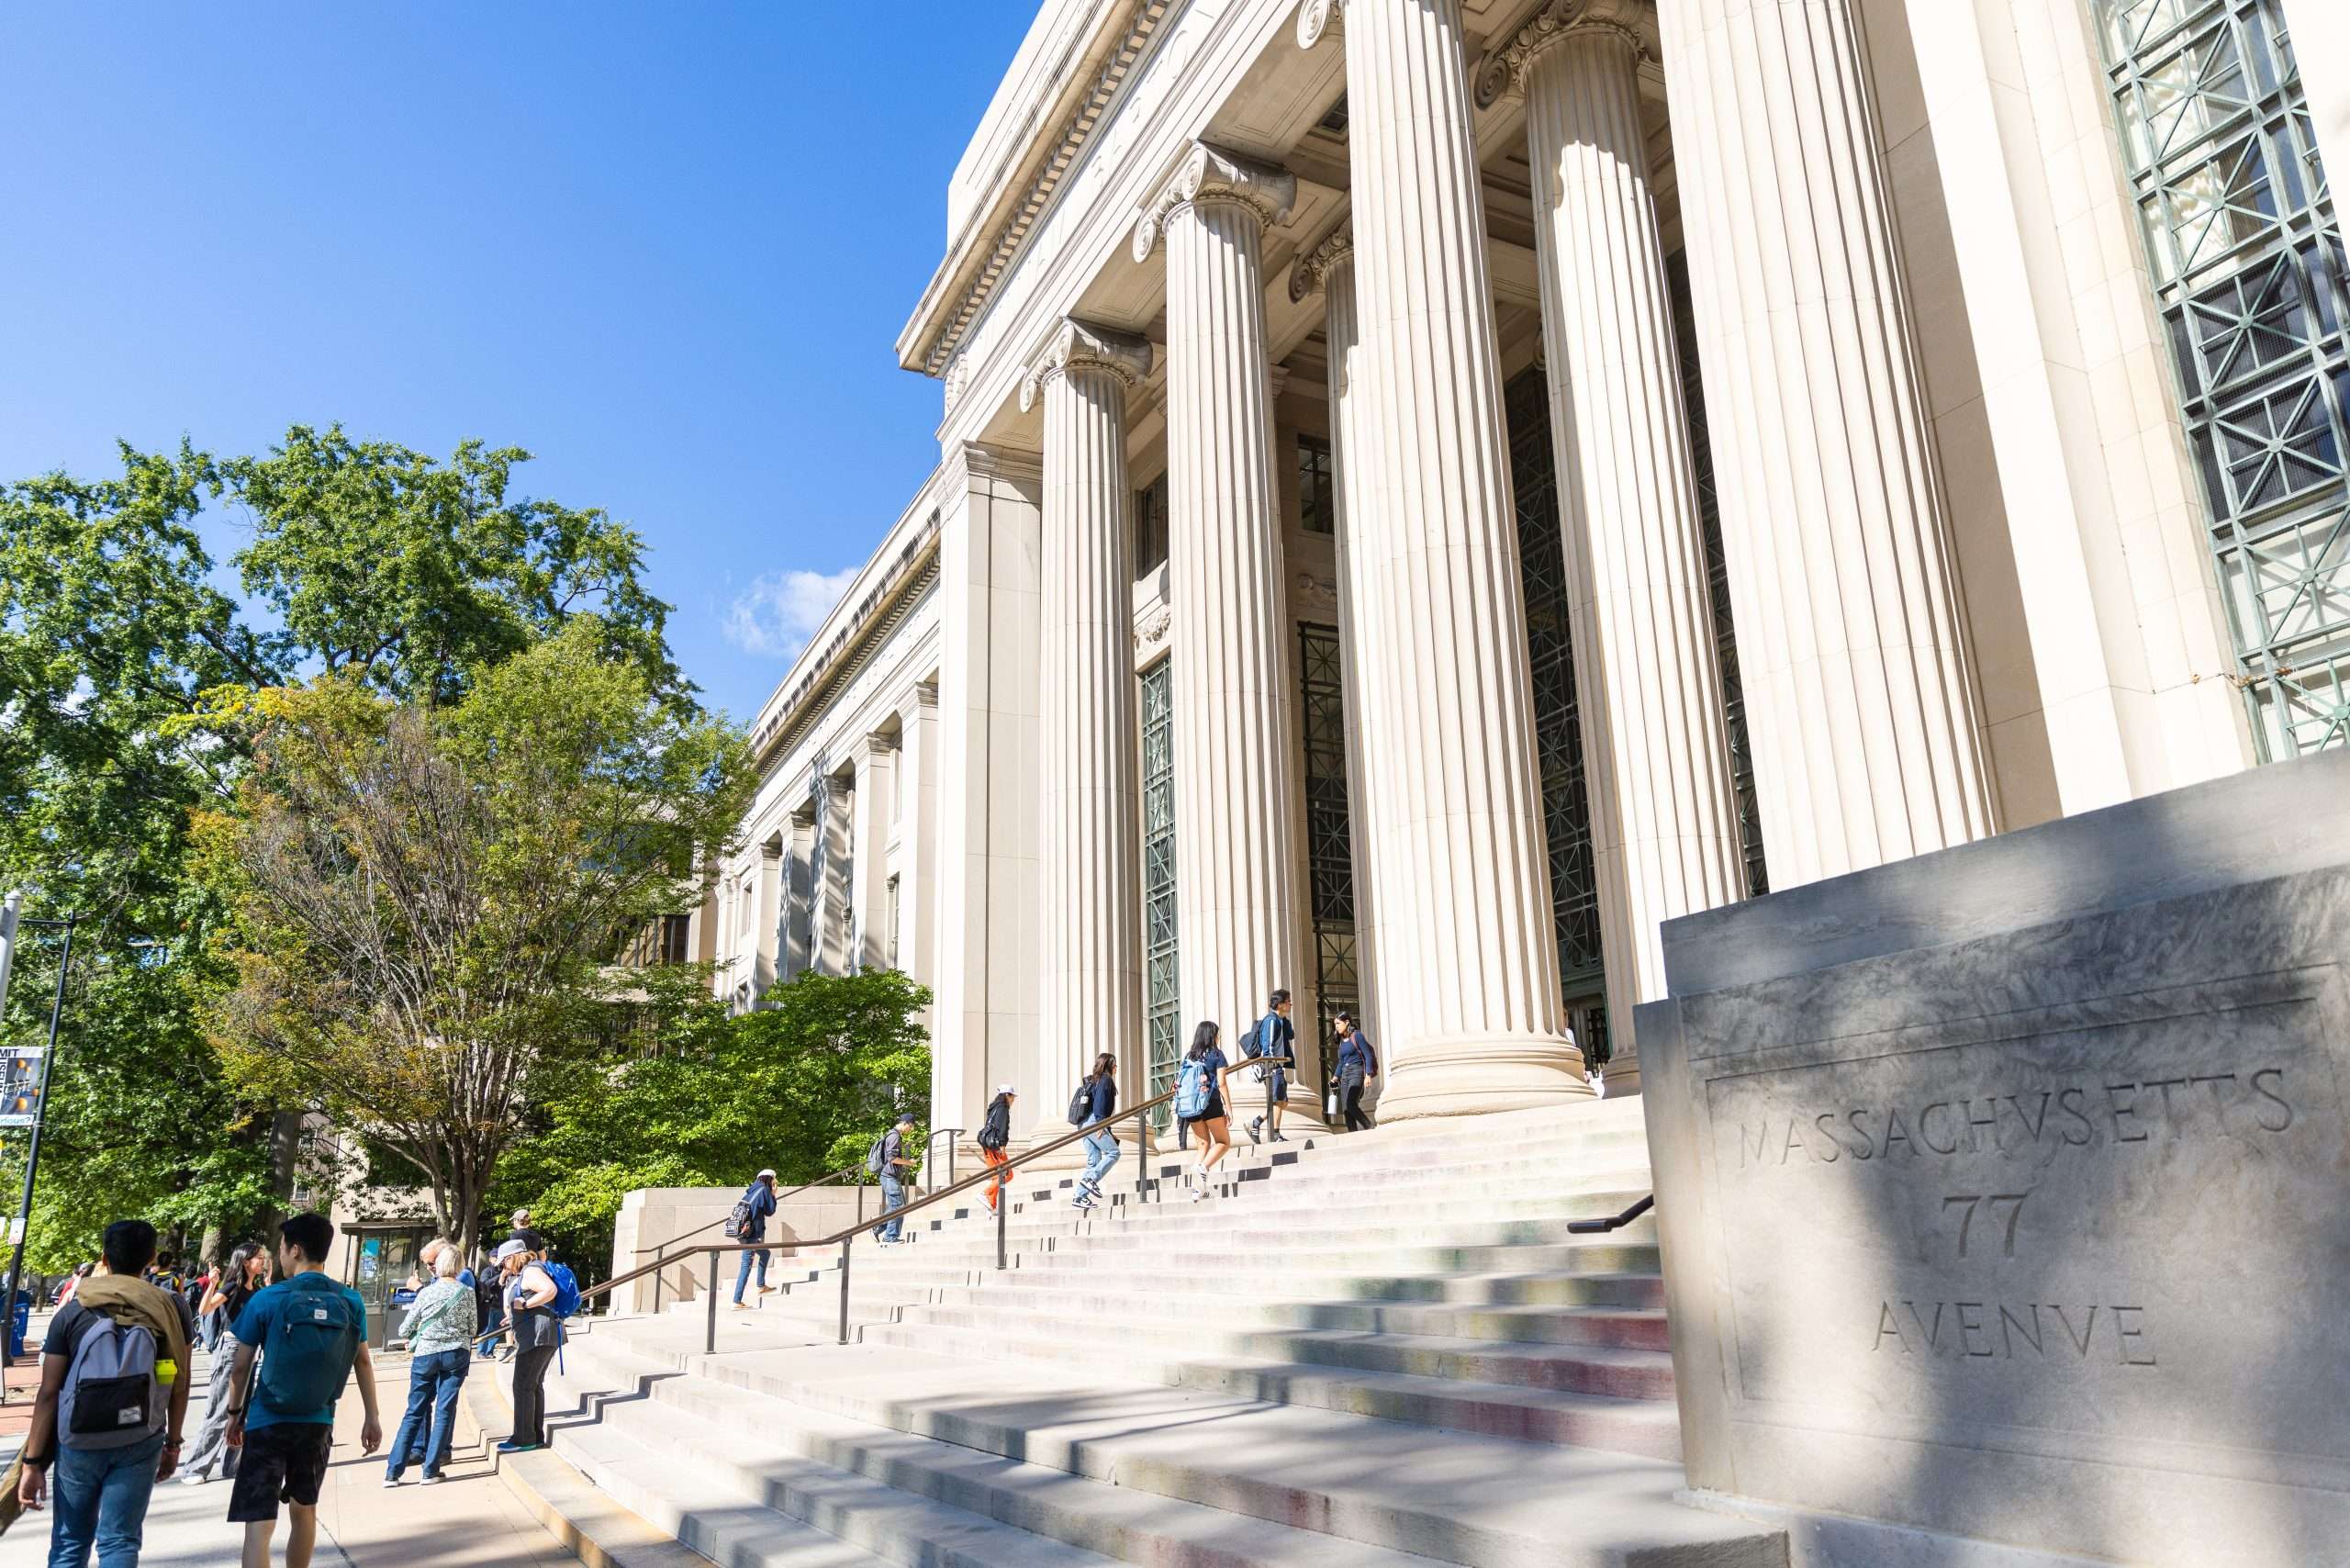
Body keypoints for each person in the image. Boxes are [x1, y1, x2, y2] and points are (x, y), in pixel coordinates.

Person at [15, 1218, 195, 1568]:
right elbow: (179, 1382)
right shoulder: (171, 1307)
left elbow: (48, 1393)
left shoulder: (73, 1310)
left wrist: (33, 1463)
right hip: (141, 1435)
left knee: (69, 1543)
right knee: (120, 1542)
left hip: (79, 1439)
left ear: (105, 1258)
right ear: (151, 1259)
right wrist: (173, 1443)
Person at [225, 1214, 379, 1568]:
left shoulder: (268, 1299)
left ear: (295, 1249)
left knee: (259, 1523)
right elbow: (364, 1363)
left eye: (281, 1248)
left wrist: (235, 1415)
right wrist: (372, 1416)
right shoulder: (350, 1300)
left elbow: (240, 1366)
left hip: (268, 1420)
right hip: (318, 1420)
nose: (280, 1255)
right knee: (304, 1510)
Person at [180, 1242, 273, 1484]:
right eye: (259, 1258)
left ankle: (231, 1465)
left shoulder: (257, 1288)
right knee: (221, 1409)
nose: (262, 1262)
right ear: (245, 1262)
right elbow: (205, 1309)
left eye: (263, 1258)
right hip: (232, 1348)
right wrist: (212, 1284)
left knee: (242, 1411)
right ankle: (195, 1469)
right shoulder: (233, 1285)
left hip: (250, 1350)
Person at [384, 1246, 476, 1486]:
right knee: (444, 1411)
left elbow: (404, 1329)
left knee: (414, 1411)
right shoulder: (466, 1292)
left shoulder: (426, 1293)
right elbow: (473, 1328)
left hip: (425, 1355)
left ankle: (393, 1472)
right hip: (456, 1354)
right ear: (459, 1266)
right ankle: (430, 1470)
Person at [498, 1242, 561, 1454]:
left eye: (504, 1262)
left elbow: (549, 1290)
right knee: (533, 1385)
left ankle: (523, 1438)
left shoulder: (531, 1271)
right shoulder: (531, 1271)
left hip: (537, 1337)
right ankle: (533, 1435)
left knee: (523, 1386)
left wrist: (524, 1306)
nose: (504, 1268)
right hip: (541, 1336)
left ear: (513, 1257)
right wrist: (515, 1315)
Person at [1179, 1022, 1233, 1201]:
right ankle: (1203, 1168)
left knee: (1203, 1145)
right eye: (1218, 1034)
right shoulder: (1216, 1054)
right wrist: (1229, 1109)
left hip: (1191, 1106)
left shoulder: (1190, 1055)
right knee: (1223, 1142)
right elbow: (1222, 1083)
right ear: (1212, 1035)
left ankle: (1197, 1189)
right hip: (1211, 1103)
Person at [1245, 990, 1299, 1145]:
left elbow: (1291, 1035)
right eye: (1288, 1001)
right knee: (1277, 1101)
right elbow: (1267, 1044)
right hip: (1273, 1065)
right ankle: (1275, 1134)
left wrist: (1285, 1019)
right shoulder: (1271, 1020)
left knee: (1282, 1102)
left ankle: (1256, 1123)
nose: (1291, 1004)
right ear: (1280, 1004)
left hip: (1277, 1064)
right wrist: (1270, 1064)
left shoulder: (1280, 1020)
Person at [1072, 1053, 1119, 1211]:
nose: (1117, 1068)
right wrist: (1101, 1125)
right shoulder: (1106, 1080)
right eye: (1115, 1064)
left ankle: (1080, 1196)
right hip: (1094, 1121)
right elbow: (1100, 1106)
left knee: (1094, 1159)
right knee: (1114, 1153)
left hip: (1083, 1123)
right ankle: (1091, 1179)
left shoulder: (1095, 1080)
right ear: (1109, 1066)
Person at [729, 1170, 779, 1310]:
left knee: (765, 1253)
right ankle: (736, 1301)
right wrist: (774, 1195)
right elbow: (770, 1211)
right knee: (746, 1266)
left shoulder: (750, 1192)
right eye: (774, 1180)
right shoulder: (764, 1190)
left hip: (744, 1233)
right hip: (751, 1235)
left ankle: (761, 1285)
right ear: (770, 1179)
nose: (775, 1183)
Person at [975, 1085, 1016, 1214]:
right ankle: (984, 1194)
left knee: (996, 1177)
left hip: (987, 1145)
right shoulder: (1003, 1108)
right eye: (1012, 1097)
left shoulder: (993, 1108)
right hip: (996, 1147)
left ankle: (991, 1206)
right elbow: (1002, 1128)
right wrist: (1002, 1145)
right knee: (1007, 1174)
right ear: (1007, 1095)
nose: (1013, 1100)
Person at [877, 1114, 916, 1244]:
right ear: (905, 1123)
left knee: (896, 1205)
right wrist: (909, 1162)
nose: (910, 1130)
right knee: (899, 1207)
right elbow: (892, 1158)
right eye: (910, 1127)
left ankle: (877, 1228)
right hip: (889, 1176)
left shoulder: (892, 1135)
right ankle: (890, 1237)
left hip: (888, 1176)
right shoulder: (894, 1136)